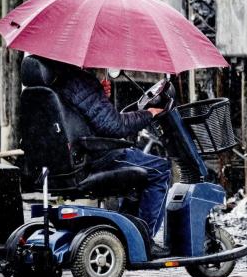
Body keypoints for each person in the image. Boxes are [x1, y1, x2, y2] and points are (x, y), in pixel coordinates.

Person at [53, 65, 171, 242]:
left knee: (140, 169)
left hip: (65, 164)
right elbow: (116, 126)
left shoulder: (48, 87)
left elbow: (85, 113)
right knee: (161, 169)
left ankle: (126, 232)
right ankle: (144, 240)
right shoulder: (80, 82)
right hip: (95, 159)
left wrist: (99, 95)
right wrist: (149, 113)